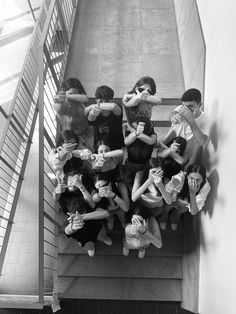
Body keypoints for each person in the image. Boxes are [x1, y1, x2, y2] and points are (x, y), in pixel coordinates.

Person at [53, 159, 111, 257]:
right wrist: (57, 191)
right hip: (75, 220)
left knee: (101, 233)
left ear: (80, 175)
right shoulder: (64, 190)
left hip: (90, 216)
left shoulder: (87, 184)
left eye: (73, 176)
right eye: (67, 178)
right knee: (87, 244)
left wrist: (80, 186)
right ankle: (90, 247)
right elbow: (67, 230)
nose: (70, 181)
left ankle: (103, 238)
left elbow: (93, 205)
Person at [163, 88, 211, 167]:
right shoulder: (181, 108)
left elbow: (202, 142)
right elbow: (173, 113)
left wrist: (191, 121)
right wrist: (172, 117)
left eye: (190, 106)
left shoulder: (206, 120)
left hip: (189, 154)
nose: (186, 110)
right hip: (174, 145)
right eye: (183, 106)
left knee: (197, 143)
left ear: (199, 105)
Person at [164, 163, 211, 230]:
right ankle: (163, 219)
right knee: (167, 208)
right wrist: (173, 191)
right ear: (187, 176)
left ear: (203, 180)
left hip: (187, 202)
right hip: (174, 198)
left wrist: (192, 193)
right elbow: (168, 192)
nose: (193, 182)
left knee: (180, 211)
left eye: (197, 180)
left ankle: (174, 220)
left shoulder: (205, 186)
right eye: (191, 178)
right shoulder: (180, 177)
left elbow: (194, 212)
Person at [53, 77, 93, 150]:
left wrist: (68, 96)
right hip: (72, 139)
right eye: (71, 94)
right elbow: (57, 107)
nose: (74, 98)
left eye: (76, 95)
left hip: (87, 132)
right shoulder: (63, 106)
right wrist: (64, 97)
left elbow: (85, 98)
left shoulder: (80, 102)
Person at [85, 85, 124, 150]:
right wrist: (92, 112)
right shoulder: (95, 111)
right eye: (102, 101)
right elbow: (90, 118)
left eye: (108, 100)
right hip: (100, 147)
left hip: (116, 145)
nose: (105, 103)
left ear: (113, 100)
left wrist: (92, 106)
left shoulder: (117, 108)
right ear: (96, 100)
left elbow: (114, 106)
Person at [123, 116, 157, 190]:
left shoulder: (152, 134)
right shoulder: (131, 132)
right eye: (134, 127)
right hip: (131, 164)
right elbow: (127, 141)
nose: (134, 127)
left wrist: (133, 131)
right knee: (130, 182)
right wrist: (135, 133)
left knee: (142, 182)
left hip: (145, 165)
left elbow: (151, 141)